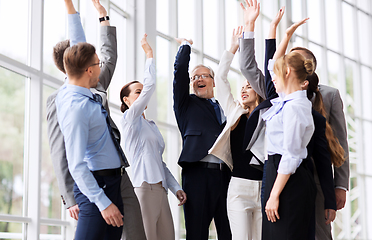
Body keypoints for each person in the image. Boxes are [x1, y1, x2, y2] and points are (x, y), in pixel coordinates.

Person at [46, 1, 147, 239]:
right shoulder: (69, 104)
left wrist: (74, 8)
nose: (101, 66)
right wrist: (73, 198)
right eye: (97, 63)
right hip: (94, 183)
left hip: (116, 175)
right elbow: (64, 154)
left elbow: (79, 38)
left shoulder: (91, 87)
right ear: (87, 68)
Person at [119, 34, 187, 240]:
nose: (142, 95)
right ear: (126, 100)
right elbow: (150, 88)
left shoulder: (151, 126)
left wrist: (176, 187)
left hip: (161, 190)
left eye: (142, 92)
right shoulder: (129, 119)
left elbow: (160, 163)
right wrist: (149, 55)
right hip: (141, 188)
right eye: (137, 92)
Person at [260, 17, 318, 239]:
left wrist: (274, 194)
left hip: (288, 178)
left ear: (287, 74)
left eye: (277, 74)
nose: (272, 78)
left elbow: (292, 154)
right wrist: (284, 37)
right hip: (279, 173)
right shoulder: (288, 100)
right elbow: (272, 63)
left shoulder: (296, 107)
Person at [207, 23, 264, 239]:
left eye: (248, 86)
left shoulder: (268, 115)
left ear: (258, 91)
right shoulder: (234, 112)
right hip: (239, 188)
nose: (243, 89)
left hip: (263, 188)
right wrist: (231, 49)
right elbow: (220, 79)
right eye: (242, 86)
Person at [173, 37, 232, 239]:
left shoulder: (225, 106)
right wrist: (185, 48)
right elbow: (180, 74)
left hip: (225, 176)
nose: (198, 79)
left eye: (204, 76)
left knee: (228, 231)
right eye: (194, 77)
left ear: (213, 81)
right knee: (197, 233)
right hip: (197, 175)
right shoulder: (185, 104)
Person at [290, 47, 349, 240]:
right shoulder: (282, 94)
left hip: (317, 177)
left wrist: (340, 185)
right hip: (286, 177)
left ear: (310, 66)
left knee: (320, 234)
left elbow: (340, 141)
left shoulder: (330, 94)